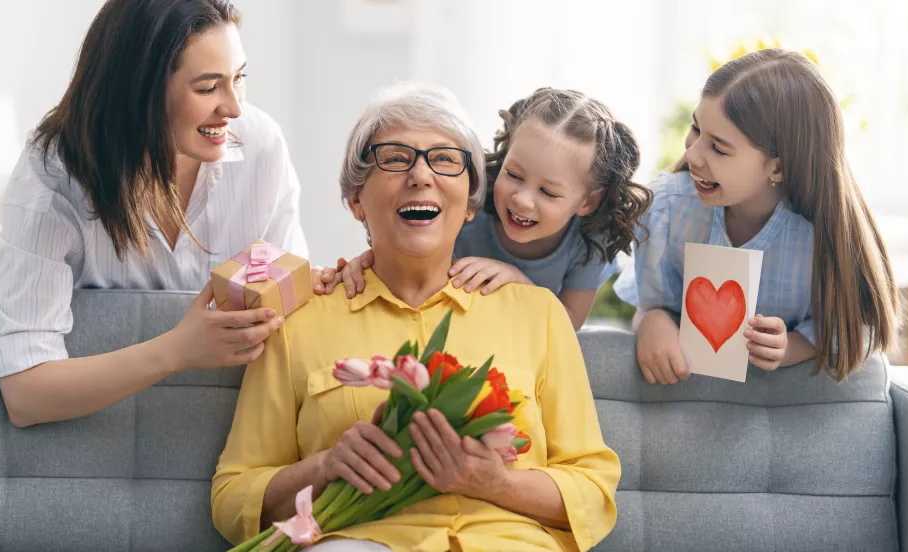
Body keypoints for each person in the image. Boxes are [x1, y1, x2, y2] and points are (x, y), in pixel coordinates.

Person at [212, 83, 621, 551]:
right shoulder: (298, 321)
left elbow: (593, 489)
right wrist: (325, 467)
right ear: (355, 200)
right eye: (394, 157)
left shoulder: (540, 313)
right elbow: (232, 497)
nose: (420, 174)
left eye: (444, 159)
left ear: (471, 202)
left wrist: (490, 481)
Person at [0, 0, 336, 427]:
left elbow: (290, 301)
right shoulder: (53, 179)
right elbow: (25, 393)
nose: (235, 108)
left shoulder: (260, 147)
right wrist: (177, 350)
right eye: (208, 88)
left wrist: (334, 283)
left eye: (239, 79)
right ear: (140, 93)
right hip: (103, 438)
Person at [613, 49, 899, 384]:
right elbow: (650, 302)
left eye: (719, 148)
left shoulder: (822, 238)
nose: (691, 153)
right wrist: (651, 320)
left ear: (777, 167)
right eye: (695, 127)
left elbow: (856, 327)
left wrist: (793, 346)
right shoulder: (666, 208)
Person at [335, 88, 651, 330]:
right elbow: (409, 255)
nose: (522, 200)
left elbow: (568, 325)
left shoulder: (590, 242)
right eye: (513, 175)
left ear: (588, 202)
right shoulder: (468, 206)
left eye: (548, 192)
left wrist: (520, 284)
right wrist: (368, 263)